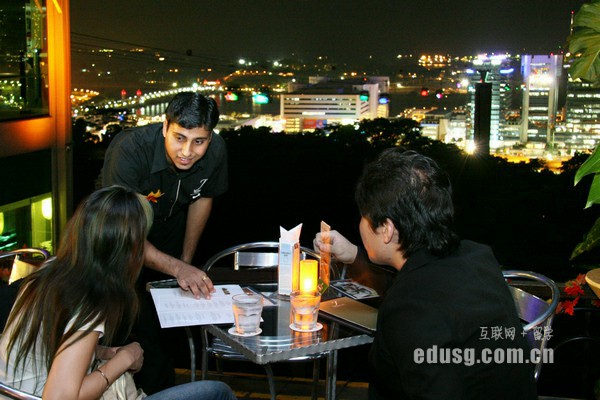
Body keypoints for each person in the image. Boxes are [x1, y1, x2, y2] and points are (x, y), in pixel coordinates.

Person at [314, 149, 537, 400]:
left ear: (386, 229)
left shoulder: (411, 310)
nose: (361, 224)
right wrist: (355, 254)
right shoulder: (475, 256)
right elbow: (420, 284)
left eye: (364, 216)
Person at [0, 186, 237, 400]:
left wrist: (103, 352)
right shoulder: (90, 300)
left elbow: (53, 345)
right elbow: (60, 397)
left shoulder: (49, 271)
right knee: (218, 392)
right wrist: (124, 359)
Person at [98, 92, 228, 392]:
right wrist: (178, 268)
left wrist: (184, 262)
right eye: (179, 138)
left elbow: (203, 198)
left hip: (169, 229)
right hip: (115, 234)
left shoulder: (217, 150)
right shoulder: (131, 150)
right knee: (120, 326)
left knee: (159, 333)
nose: (187, 151)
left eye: (199, 141)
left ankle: (158, 392)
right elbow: (126, 232)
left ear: (210, 137)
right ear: (165, 127)